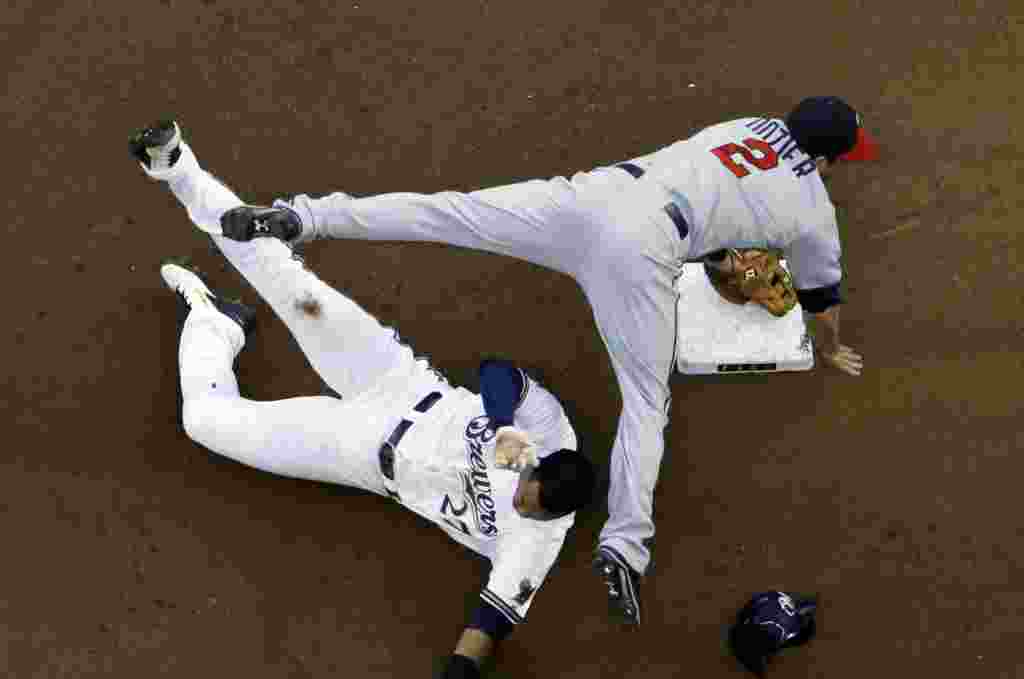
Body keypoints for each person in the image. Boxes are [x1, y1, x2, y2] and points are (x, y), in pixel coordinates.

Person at [217, 96, 878, 627]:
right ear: (830, 159)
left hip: (589, 198)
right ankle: (626, 542)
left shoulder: (749, 124)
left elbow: (733, 192)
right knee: (647, 400)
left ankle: (303, 219)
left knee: (451, 212)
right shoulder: (813, 210)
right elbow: (820, 298)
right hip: (639, 252)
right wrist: (830, 346)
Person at [129, 119, 596, 679]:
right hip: (396, 379)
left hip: (356, 453)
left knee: (205, 422)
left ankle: (217, 325)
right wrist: (503, 422)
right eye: (527, 487)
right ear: (542, 467)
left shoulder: (536, 543)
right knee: (289, 282)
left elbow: (493, 619)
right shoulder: (548, 430)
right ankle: (176, 165)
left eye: (526, 507)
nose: (518, 497)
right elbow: (496, 372)